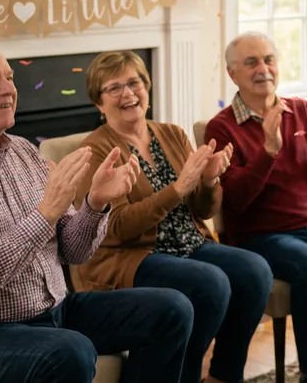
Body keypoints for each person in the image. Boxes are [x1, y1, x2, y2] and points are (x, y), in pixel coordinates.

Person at [0, 37, 194, 383]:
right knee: (70, 351)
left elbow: (73, 251)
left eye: (9, 77)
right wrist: (45, 214)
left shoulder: (22, 152)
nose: (9, 89)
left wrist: (95, 203)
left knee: (172, 309)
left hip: (52, 312)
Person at [70, 50, 274, 383]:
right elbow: (115, 228)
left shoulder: (172, 134)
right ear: (99, 103)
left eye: (134, 82)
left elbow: (204, 211)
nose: (128, 93)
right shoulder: (96, 151)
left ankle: (224, 375)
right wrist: (176, 190)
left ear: (146, 88)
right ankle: (184, 376)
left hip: (189, 244)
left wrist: (208, 181)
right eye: (114, 88)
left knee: (255, 271)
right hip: (131, 256)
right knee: (210, 283)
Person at [203, 32, 307, 383]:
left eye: (268, 59)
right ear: (232, 74)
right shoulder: (221, 127)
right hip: (261, 236)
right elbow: (235, 201)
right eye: (251, 62)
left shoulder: (302, 111)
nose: (263, 69)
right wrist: (268, 152)